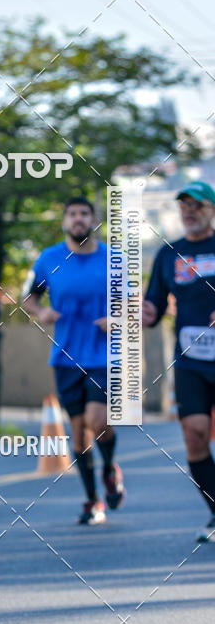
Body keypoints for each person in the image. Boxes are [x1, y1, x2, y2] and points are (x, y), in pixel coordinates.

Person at [24, 196, 125, 525]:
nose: (78, 219)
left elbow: (133, 303)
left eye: (84, 214)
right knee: (79, 433)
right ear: (65, 221)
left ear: (93, 220)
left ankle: (109, 469)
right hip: (66, 357)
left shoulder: (114, 259)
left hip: (103, 356)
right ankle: (93, 500)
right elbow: (29, 296)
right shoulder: (49, 258)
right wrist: (41, 312)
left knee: (99, 422)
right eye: (72, 214)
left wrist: (117, 318)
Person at [143, 181, 215, 543]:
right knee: (195, 434)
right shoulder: (171, 253)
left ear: (212, 210)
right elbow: (154, 304)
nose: (189, 211)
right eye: (184, 205)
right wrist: (143, 311)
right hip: (191, 361)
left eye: (197, 205)